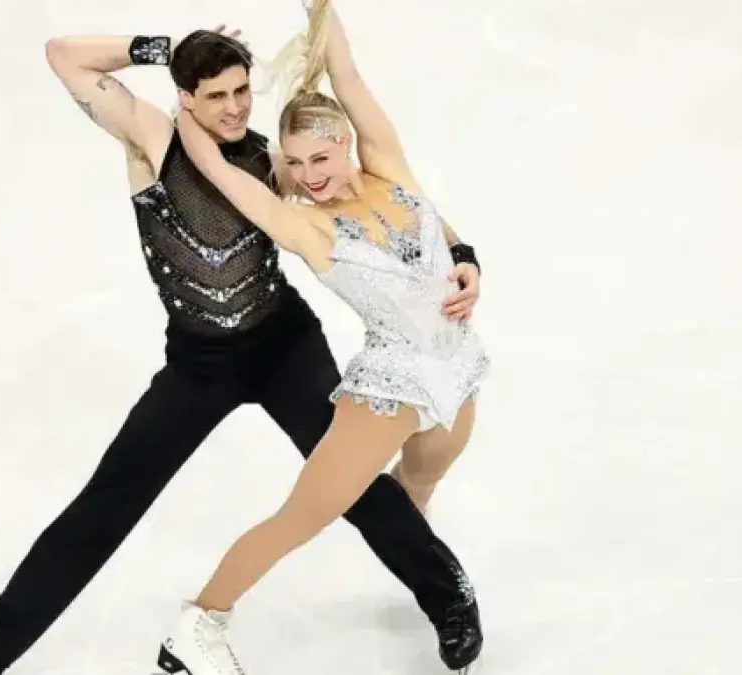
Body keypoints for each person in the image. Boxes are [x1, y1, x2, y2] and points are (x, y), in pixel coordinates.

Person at [0, 22, 483, 675]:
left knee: (348, 474)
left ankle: (448, 596)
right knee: (111, 498)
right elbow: (64, 57)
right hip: (200, 363)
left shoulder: (279, 163)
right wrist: (159, 50)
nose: (234, 108)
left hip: (283, 342)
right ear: (186, 97)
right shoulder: (153, 139)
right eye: (216, 96)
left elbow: (393, 194)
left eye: (241, 91)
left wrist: (459, 251)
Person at [154, 2, 490, 674]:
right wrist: (187, 110)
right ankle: (199, 622)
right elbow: (219, 172)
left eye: (321, 157)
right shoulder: (309, 227)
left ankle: (423, 575)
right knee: (302, 516)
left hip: (457, 369)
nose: (309, 174)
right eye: (297, 162)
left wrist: (467, 258)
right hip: (390, 388)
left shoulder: (389, 167)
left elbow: (346, 71)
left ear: (347, 144)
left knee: (421, 483)